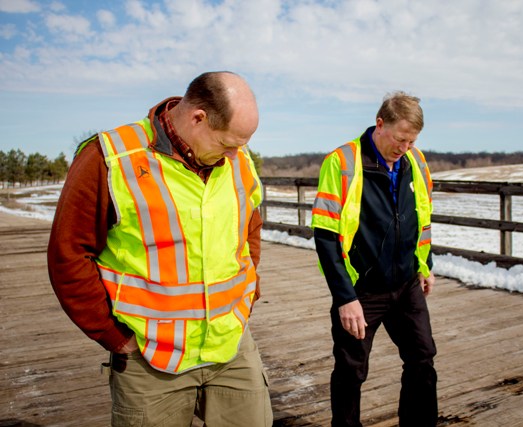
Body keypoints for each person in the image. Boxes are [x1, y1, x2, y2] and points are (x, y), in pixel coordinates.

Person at [47, 71, 273, 426]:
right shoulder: (110, 157)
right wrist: (114, 337)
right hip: (150, 358)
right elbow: (69, 254)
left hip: (231, 346)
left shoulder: (237, 158)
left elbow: (250, 227)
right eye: (228, 143)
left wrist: (247, 296)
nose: (235, 154)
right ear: (197, 117)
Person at [311, 92, 438, 426]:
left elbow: (420, 218)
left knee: (423, 358)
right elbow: (325, 235)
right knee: (352, 371)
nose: (404, 148)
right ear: (380, 124)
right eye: (400, 139)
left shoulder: (416, 161)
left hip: (407, 284)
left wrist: (426, 265)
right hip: (363, 290)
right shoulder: (342, 162)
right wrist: (345, 297)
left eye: (411, 141)